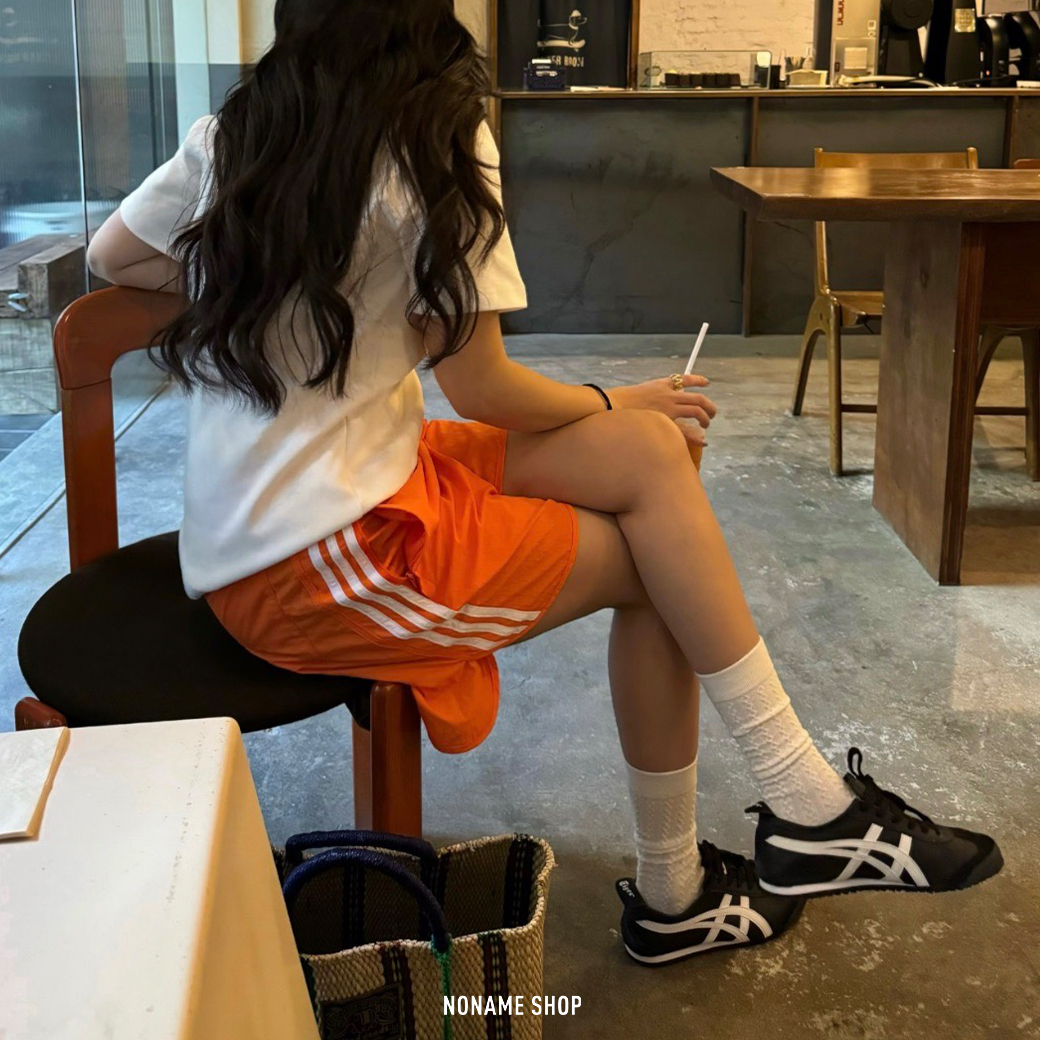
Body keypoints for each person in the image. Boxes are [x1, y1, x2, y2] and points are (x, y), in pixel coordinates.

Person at [87, 0, 1002, 965]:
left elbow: (113, 256)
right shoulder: (436, 137)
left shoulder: (238, 134)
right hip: (316, 566)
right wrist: (608, 394)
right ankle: (720, 861)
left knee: (648, 453)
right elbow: (481, 388)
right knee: (659, 568)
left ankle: (792, 814)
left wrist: (262, 273)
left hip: (326, 496)